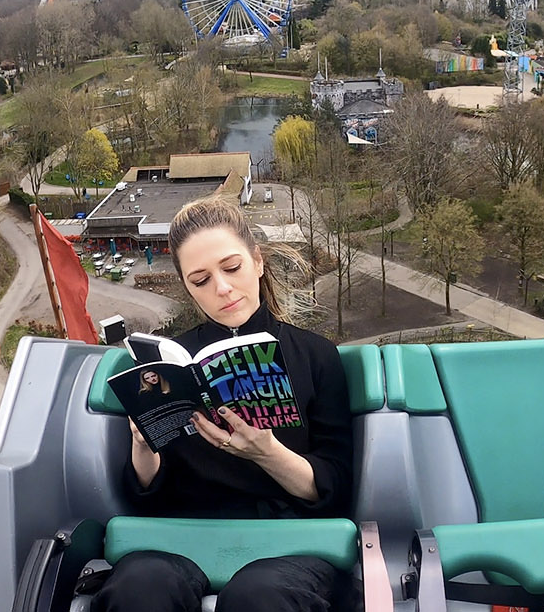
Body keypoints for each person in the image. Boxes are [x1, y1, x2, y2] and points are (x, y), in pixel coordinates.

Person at [91, 196, 356, 612]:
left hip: (286, 540)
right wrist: (144, 447)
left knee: (258, 597)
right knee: (139, 588)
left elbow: (335, 487)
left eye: (231, 268)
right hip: (184, 533)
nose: (223, 289)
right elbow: (147, 495)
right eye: (201, 281)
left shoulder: (316, 355)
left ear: (258, 262)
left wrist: (267, 453)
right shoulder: (168, 362)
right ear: (187, 287)